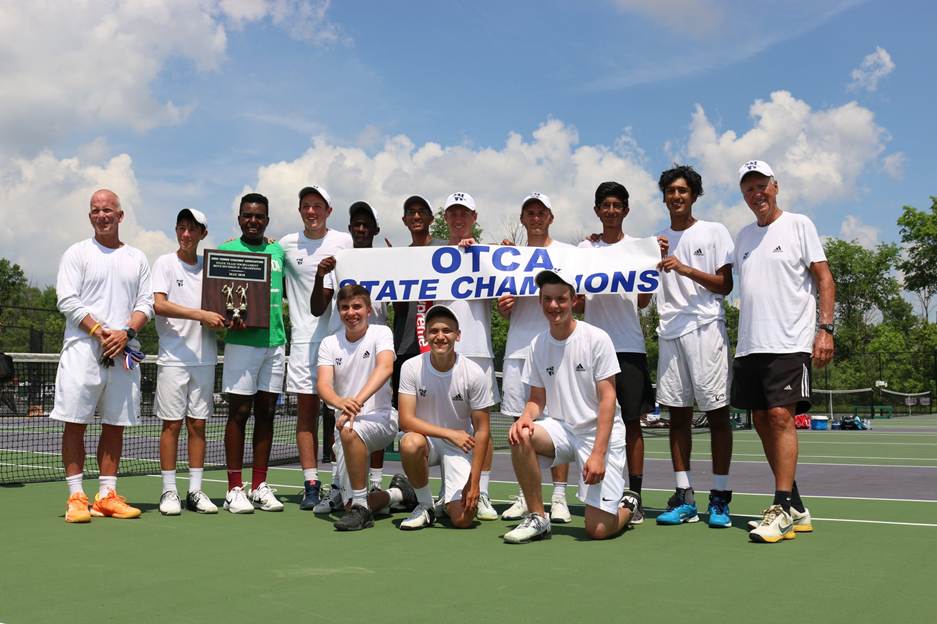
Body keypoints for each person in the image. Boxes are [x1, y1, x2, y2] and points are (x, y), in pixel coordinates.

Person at [732, 160, 835, 543]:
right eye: (749, 189)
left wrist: (824, 330)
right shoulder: (742, 237)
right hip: (749, 346)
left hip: (789, 343)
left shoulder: (799, 224)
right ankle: (795, 506)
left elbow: (824, 277)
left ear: (775, 186)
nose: (756, 194)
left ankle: (779, 508)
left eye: (762, 186)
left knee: (779, 417)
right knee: (761, 421)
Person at [504, 270, 639, 544]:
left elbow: (607, 400)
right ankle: (538, 518)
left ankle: (628, 505)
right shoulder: (537, 344)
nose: (554, 306)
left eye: (561, 299)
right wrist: (525, 418)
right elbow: (536, 400)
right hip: (563, 430)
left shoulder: (597, 338)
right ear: (540, 301)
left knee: (598, 530)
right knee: (520, 435)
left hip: (600, 435)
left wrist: (598, 453)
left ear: (574, 300)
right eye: (548, 299)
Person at [53, 189, 153, 522]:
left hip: (123, 352)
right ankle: (76, 498)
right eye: (95, 210)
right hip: (82, 351)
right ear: (90, 216)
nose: (102, 215)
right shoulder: (76, 254)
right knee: (75, 424)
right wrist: (100, 332)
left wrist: (125, 334)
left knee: (115, 425)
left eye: (108, 210)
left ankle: (107, 495)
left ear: (120, 216)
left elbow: (146, 304)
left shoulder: (137, 258)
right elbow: (67, 300)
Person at [653, 165, 736, 527]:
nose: (676, 196)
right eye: (671, 191)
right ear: (665, 197)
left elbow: (725, 285)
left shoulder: (714, 231)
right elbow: (639, 289)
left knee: (717, 414)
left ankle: (719, 497)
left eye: (683, 191)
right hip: (669, 333)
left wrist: (684, 269)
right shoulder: (655, 241)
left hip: (706, 329)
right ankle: (685, 495)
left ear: (694, 195)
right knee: (677, 417)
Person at [370, 305, 492, 530]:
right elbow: (406, 421)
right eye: (434, 331)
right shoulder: (411, 367)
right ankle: (424, 505)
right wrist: (450, 433)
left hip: (460, 448)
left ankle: (442, 500)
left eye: (447, 331)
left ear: (458, 335)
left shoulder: (474, 373)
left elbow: (483, 430)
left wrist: (475, 483)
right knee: (409, 441)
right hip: (427, 441)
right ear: (425, 335)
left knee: (463, 520)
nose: (440, 336)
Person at [578, 182, 655, 522]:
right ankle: (600, 490)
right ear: (597, 210)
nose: (610, 211)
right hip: (593, 347)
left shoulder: (640, 249)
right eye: (604, 205)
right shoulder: (584, 248)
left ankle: (633, 492)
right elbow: (577, 299)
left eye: (616, 205)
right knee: (594, 422)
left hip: (629, 347)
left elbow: (643, 300)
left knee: (631, 423)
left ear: (625, 210)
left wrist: (650, 260)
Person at [497, 193, 574, 524]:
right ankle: (526, 496)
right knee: (520, 425)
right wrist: (503, 309)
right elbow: (502, 308)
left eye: (541, 212)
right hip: (518, 348)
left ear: (550, 217)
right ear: (523, 218)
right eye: (530, 212)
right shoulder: (507, 257)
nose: (536, 217)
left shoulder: (566, 254)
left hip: (555, 348)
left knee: (556, 421)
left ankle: (558, 497)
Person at [279, 185, 352, 509]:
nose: (311, 212)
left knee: (343, 416)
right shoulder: (285, 245)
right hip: (303, 344)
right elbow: (263, 268)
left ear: (328, 211)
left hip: (340, 342)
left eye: (317, 206)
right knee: (306, 417)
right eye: (306, 206)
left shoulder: (344, 241)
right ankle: (311, 483)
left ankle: (341, 482)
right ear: (300, 211)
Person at [310, 200, 389, 497]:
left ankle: (377, 483)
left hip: (375, 347)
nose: (360, 229)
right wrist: (319, 275)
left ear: (375, 230)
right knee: (337, 416)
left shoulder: (389, 262)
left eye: (366, 225)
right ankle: (336, 484)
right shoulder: (338, 262)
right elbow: (318, 307)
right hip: (343, 347)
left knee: (375, 411)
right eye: (356, 224)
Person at [152, 208, 226, 515]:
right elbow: (159, 305)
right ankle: (169, 491)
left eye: (192, 229)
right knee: (171, 425)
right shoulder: (165, 263)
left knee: (198, 425)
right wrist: (199, 314)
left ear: (202, 234)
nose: (185, 234)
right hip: (172, 358)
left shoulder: (211, 267)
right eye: (181, 228)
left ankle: (195, 491)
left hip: (205, 358)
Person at [435, 192, 501, 521]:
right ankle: (446, 491)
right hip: (442, 352)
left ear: (474, 216)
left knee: (481, 426)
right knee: (444, 424)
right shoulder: (432, 256)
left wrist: (485, 255)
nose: (458, 218)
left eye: (464, 213)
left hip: (479, 351)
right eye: (452, 213)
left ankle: (483, 491)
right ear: (446, 218)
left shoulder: (488, 257)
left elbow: (506, 286)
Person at [219, 193, 287, 514]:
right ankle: (234, 488)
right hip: (242, 343)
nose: (253, 221)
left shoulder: (277, 251)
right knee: (238, 413)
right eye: (248, 215)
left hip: (275, 343)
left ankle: (259, 484)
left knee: (267, 413)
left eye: (259, 216)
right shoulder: (227, 250)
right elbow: (216, 299)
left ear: (267, 221)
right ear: (239, 219)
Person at [315, 285, 397, 531]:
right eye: (344, 308)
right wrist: (341, 403)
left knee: (349, 431)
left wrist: (355, 404)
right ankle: (397, 494)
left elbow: (385, 368)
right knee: (348, 503)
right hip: (346, 429)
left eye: (357, 307)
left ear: (369, 310)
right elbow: (323, 384)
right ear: (339, 312)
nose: (351, 313)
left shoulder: (381, 333)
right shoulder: (329, 343)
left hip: (381, 420)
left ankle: (362, 509)